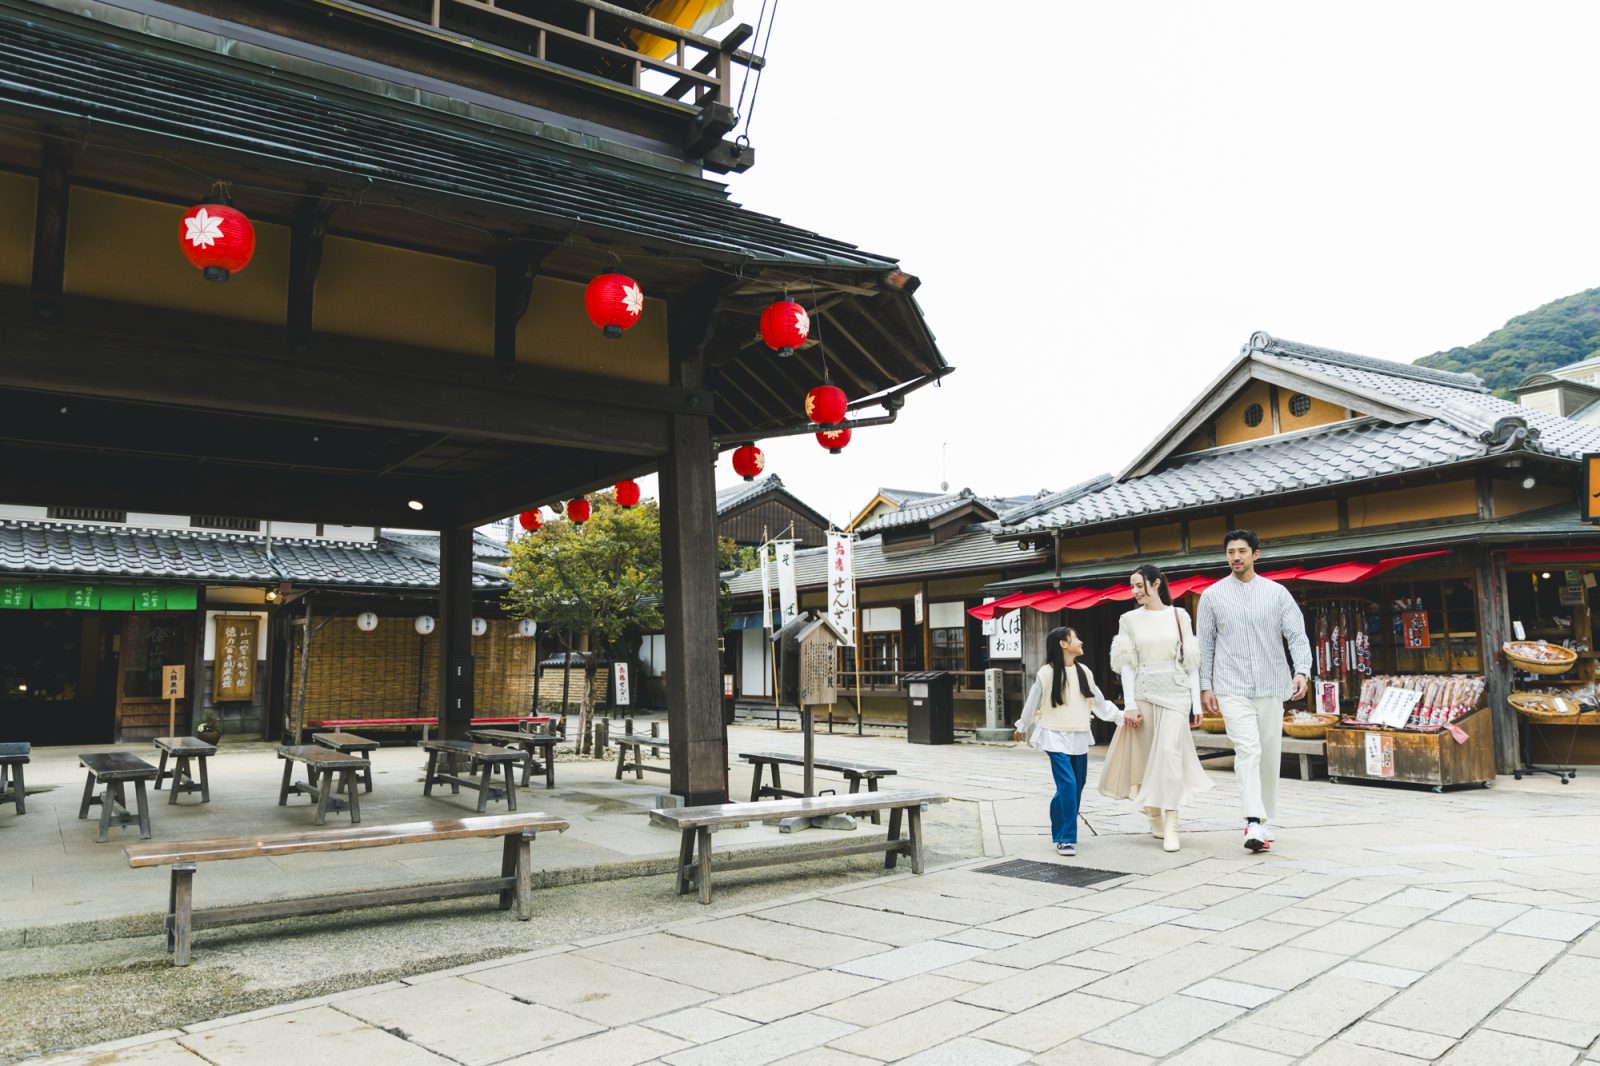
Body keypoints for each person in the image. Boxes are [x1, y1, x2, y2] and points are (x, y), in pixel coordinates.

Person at [1197, 529, 1312, 853]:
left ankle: (1263, 819)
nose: (1236, 557)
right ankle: (1252, 820)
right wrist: (1205, 686)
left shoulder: (1277, 594)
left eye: (1242, 551)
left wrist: (1301, 670)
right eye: (1231, 551)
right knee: (1247, 749)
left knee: (1268, 752)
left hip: (1273, 684)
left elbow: (1297, 636)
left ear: (1255, 554)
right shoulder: (1212, 596)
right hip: (1231, 686)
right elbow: (1204, 645)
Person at [1101, 564, 1213, 852]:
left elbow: (1191, 661)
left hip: (1176, 695)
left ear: (1156, 583)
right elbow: (1126, 664)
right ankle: (1154, 814)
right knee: (1147, 758)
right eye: (1133, 586)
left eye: (1140, 585)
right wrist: (1130, 705)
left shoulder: (1180, 615)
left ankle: (1172, 823)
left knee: (1169, 757)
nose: (1135, 591)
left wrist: (1195, 701)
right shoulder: (1128, 619)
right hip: (1145, 692)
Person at [1013, 626, 1123, 857]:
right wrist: (1022, 726)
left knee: (1077, 784)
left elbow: (1100, 704)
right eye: (1075, 638)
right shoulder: (1046, 673)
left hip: (1078, 735)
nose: (1080, 641)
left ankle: (1059, 820)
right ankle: (1065, 838)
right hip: (1053, 735)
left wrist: (1121, 718)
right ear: (1063, 644)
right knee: (1068, 785)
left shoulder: (1085, 672)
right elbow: (1032, 703)